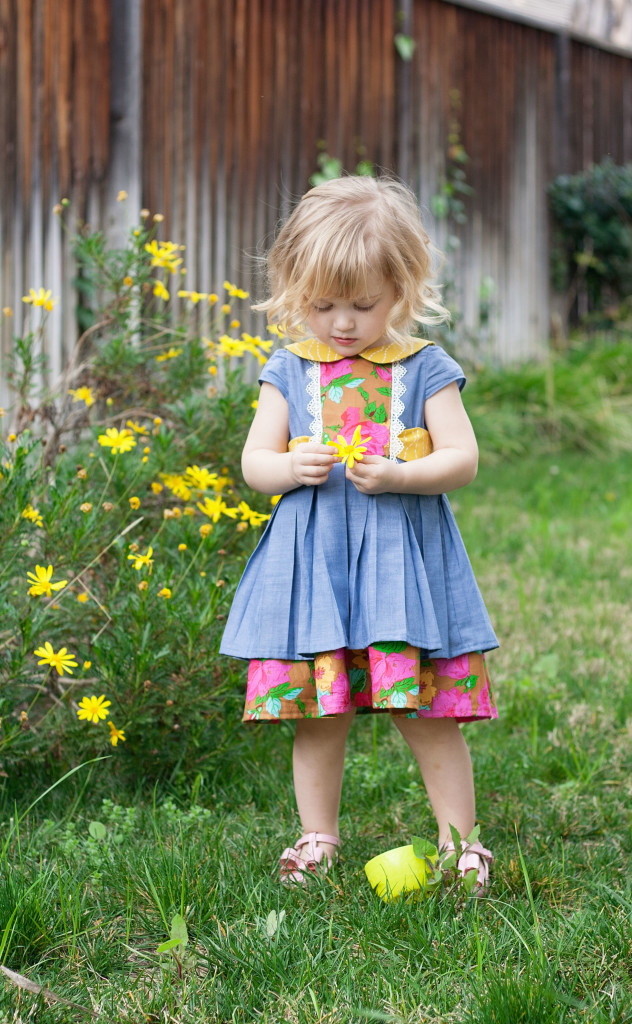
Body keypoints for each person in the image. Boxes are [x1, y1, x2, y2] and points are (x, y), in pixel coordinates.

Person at [220, 175, 498, 892]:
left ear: (402, 290)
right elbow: (254, 463)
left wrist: (403, 475)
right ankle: (318, 836)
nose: (343, 322)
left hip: (399, 564)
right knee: (320, 713)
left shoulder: (424, 367)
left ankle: (460, 842)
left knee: (427, 710)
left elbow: (461, 458)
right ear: (294, 290)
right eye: (323, 305)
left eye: (364, 304)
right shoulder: (288, 369)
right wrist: (288, 465)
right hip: (319, 567)